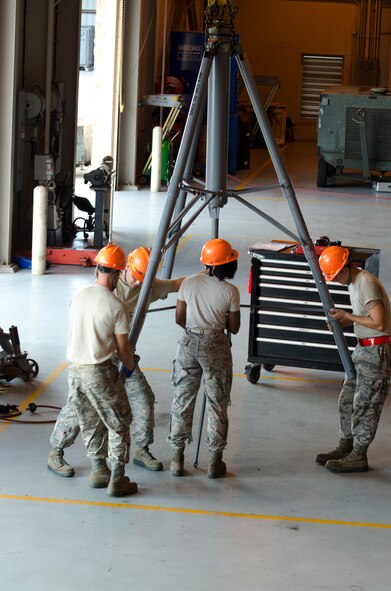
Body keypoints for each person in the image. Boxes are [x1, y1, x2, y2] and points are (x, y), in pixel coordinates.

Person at [48, 246, 185, 475]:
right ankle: (56, 451)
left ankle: (142, 449)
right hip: (100, 360)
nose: (135, 284)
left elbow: (177, 283)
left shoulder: (146, 285)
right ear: (123, 269)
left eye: (141, 280)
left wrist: (208, 274)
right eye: (134, 277)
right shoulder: (108, 291)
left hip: (124, 360)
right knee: (79, 408)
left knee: (143, 398)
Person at [60, 243, 137, 497]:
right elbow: (123, 348)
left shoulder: (78, 297)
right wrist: (130, 366)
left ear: (98, 269)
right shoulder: (116, 306)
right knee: (119, 421)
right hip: (99, 371)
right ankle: (118, 478)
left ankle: (98, 470)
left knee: (89, 419)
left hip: (74, 371)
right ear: (116, 273)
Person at [168, 238, 240, 478]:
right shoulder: (230, 291)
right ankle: (214, 462)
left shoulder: (188, 283)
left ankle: (177, 459)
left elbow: (179, 318)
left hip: (188, 343)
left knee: (182, 400)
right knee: (217, 404)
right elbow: (235, 327)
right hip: (216, 346)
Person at [315, 245, 391, 473]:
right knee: (348, 401)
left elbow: (378, 323)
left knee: (366, 405)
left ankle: (358, 455)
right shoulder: (354, 282)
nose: (335, 280)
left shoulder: (365, 283)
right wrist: (345, 321)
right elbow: (366, 318)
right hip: (363, 350)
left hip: (377, 352)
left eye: (335, 275)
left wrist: (347, 315)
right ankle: (346, 446)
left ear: (345, 268)